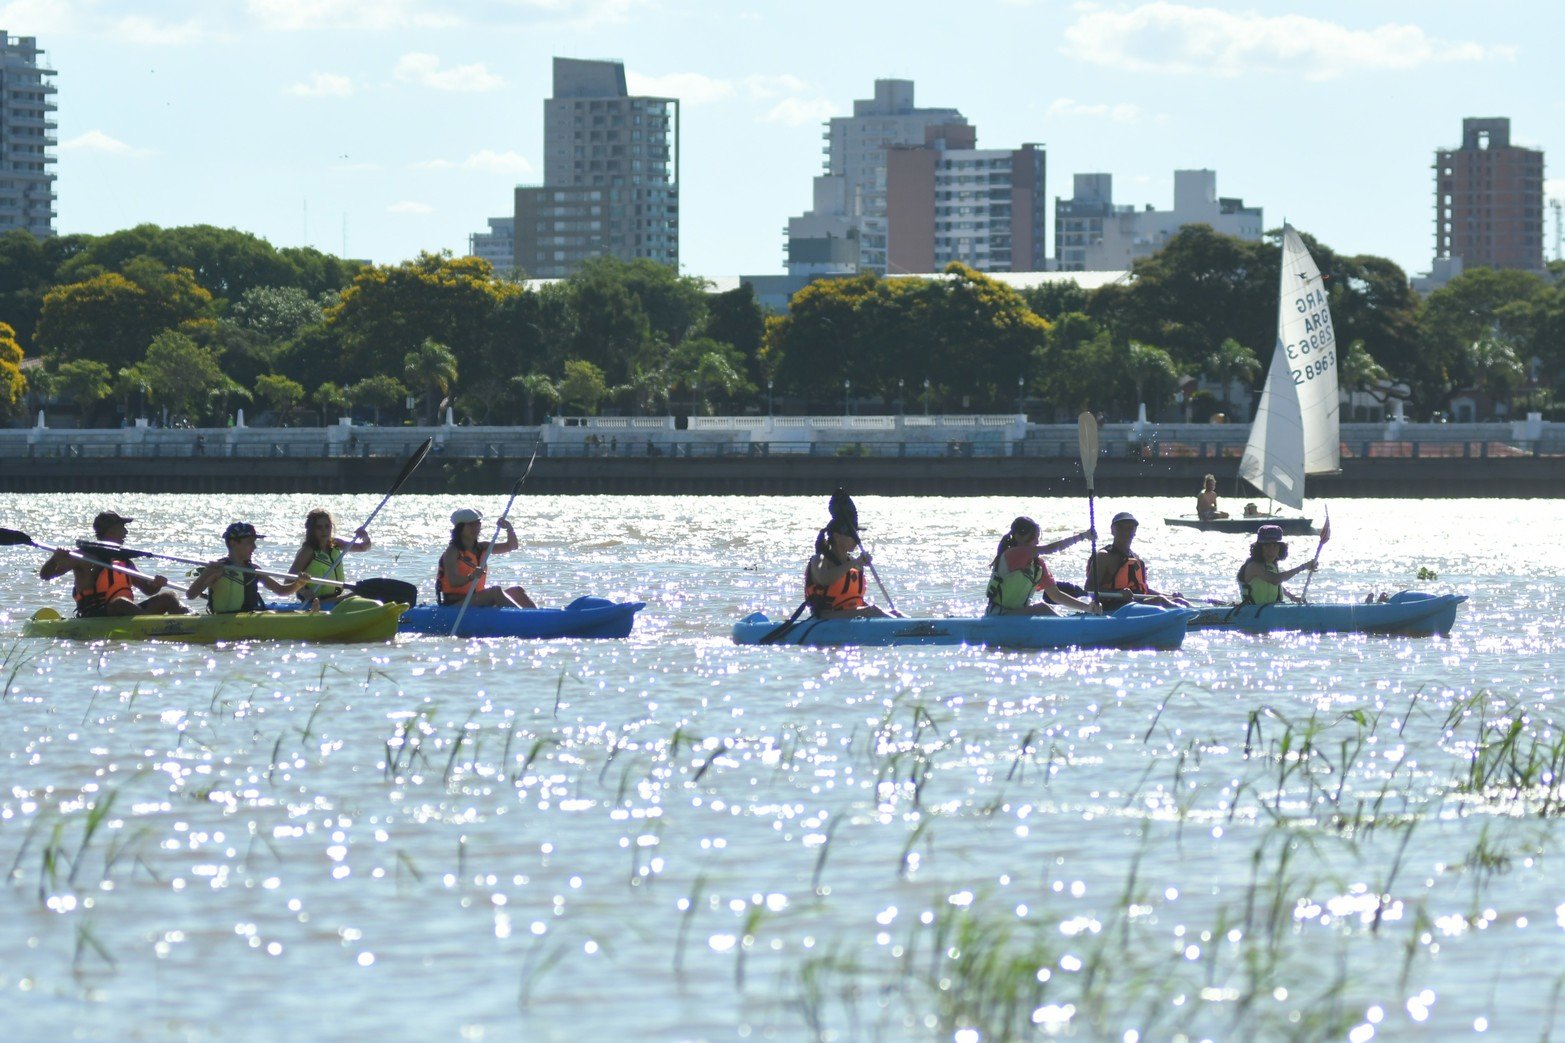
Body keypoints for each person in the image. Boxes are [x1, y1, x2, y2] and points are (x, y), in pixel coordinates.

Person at [40, 510, 188, 618]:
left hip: (127, 612)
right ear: (110, 531)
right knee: (120, 603)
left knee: (169, 596)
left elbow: (148, 590)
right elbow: (45, 575)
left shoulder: (123, 560)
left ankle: (188, 618)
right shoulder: (82, 556)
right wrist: (55, 559)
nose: (126, 532)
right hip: (94, 615)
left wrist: (157, 585)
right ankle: (149, 623)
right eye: (122, 527)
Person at [985, 517, 1100, 616]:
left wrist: (1087, 607)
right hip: (998, 615)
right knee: (1042, 608)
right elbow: (1050, 549)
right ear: (1018, 537)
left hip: (1018, 616)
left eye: (1037, 537)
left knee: (1044, 608)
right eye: (1033, 537)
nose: (1037, 541)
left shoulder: (1037, 565)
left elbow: (1056, 596)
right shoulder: (1012, 554)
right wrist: (1082, 536)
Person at [186, 522, 305, 613]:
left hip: (249, 618)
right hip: (221, 620)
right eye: (249, 542)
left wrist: (299, 583)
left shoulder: (254, 570)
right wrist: (207, 573)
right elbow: (190, 595)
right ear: (233, 543)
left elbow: (281, 590)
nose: (254, 547)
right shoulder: (218, 569)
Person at [437, 507, 537, 609]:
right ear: (459, 528)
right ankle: (521, 618)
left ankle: (537, 618)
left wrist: (509, 529)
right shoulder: (453, 551)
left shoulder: (483, 547)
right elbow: (453, 581)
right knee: (495, 592)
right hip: (455, 605)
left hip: (476, 600)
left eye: (477, 523)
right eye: (470, 524)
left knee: (517, 591)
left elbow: (512, 546)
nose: (475, 527)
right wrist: (471, 576)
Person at [1086, 512, 1189, 609]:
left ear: (1134, 532)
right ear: (1113, 530)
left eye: (1130, 528)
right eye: (1121, 528)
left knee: (1178, 600)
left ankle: (1198, 615)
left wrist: (1170, 596)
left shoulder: (1136, 559)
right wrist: (1118, 594)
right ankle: (1189, 615)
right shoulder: (1103, 556)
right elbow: (1089, 588)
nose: (1126, 532)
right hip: (1112, 608)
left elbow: (1144, 591)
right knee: (1160, 601)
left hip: (1135, 606)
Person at [805, 518, 887, 619]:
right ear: (837, 537)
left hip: (849, 618)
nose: (857, 540)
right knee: (872, 612)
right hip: (825, 617)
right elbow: (824, 579)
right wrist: (855, 562)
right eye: (851, 535)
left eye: (856, 534)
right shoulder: (820, 559)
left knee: (890, 612)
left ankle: (907, 627)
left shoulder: (854, 563)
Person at [287, 508, 371, 607]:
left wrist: (365, 537)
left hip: (335, 599)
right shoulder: (307, 551)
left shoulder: (336, 544)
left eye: (327, 526)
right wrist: (303, 591)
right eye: (319, 527)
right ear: (312, 530)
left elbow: (363, 547)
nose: (324, 531)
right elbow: (288, 580)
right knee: (357, 595)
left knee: (363, 593)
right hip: (315, 603)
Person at [1238, 525, 1317, 605]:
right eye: (1267, 546)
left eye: (1275, 546)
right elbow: (1275, 580)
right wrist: (1303, 567)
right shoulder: (1254, 566)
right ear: (1259, 548)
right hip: (1252, 612)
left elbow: (1277, 585)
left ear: (1281, 548)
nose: (1271, 551)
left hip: (1270, 611)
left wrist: (1292, 597)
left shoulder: (1272, 565)